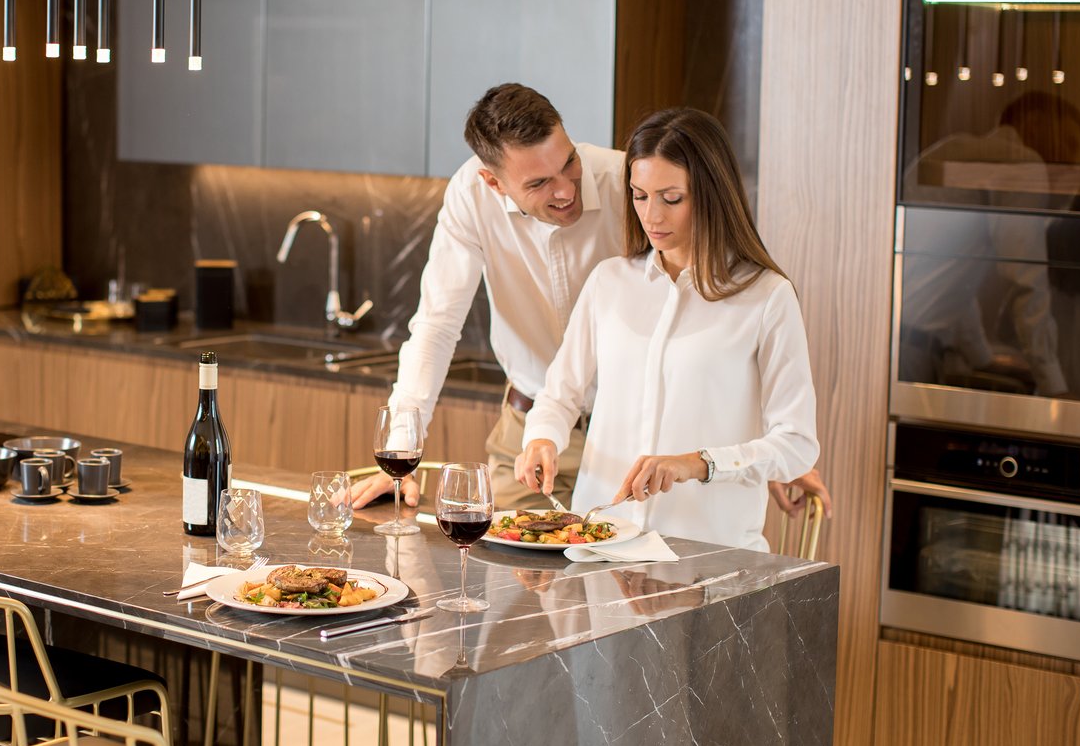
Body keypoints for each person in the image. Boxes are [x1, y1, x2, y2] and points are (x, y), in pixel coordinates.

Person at [349, 84, 830, 524]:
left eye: (569, 164)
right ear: (496, 184)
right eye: (538, 184)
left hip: (653, 460)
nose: (565, 190)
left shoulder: (635, 177)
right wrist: (400, 452)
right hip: (536, 427)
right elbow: (436, 327)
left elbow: (726, 334)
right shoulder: (480, 204)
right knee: (515, 598)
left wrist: (761, 458)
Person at [513, 107, 819, 552]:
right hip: (602, 546)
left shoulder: (766, 297)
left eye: (671, 198)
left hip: (709, 556)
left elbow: (796, 445)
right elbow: (560, 395)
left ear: (712, 194)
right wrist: (541, 437)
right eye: (639, 196)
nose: (651, 216)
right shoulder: (609, 282)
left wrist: (698, 464)